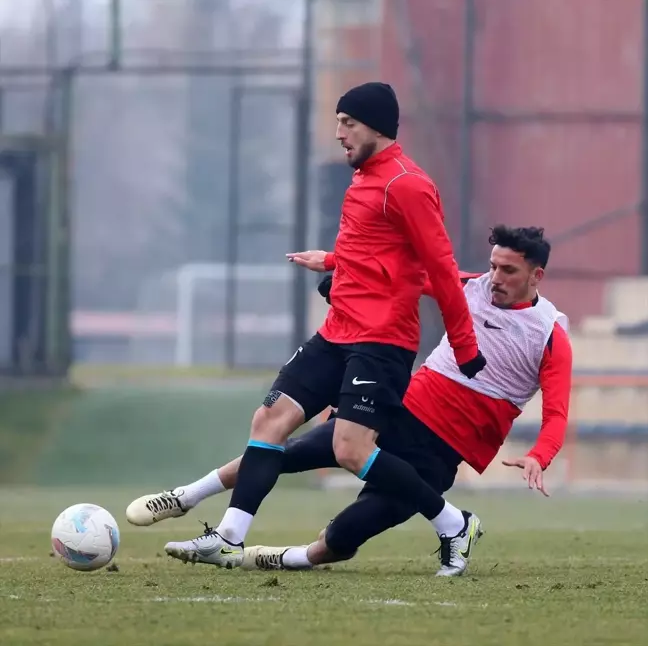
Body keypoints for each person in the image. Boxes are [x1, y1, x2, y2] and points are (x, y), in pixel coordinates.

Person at [127, 81, 486, 569]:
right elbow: (378, 251)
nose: (338, 132)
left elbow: (439, 269)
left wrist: (464, 346)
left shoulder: (409, 184)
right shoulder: (363, 178)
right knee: (268, 421)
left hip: (381, 343)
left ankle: (452, 523)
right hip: (336, 332)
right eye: (338, 121)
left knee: (351, 450)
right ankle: (228, 538)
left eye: (348, 123)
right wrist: (335, 261)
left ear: (376, 127)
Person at [127, 226, 571, 577]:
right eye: (493, 266)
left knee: (338, 540)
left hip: (440, 454)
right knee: (281, 452)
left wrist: (539, 454)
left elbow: (556, 414)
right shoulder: (469, 287)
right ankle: (185, 497)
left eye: (509, 271)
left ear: (536, 276)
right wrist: (335, 263)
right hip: (398, 414)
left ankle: (277, 558)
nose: (495, 278)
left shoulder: (549, 333)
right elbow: (396, 271)